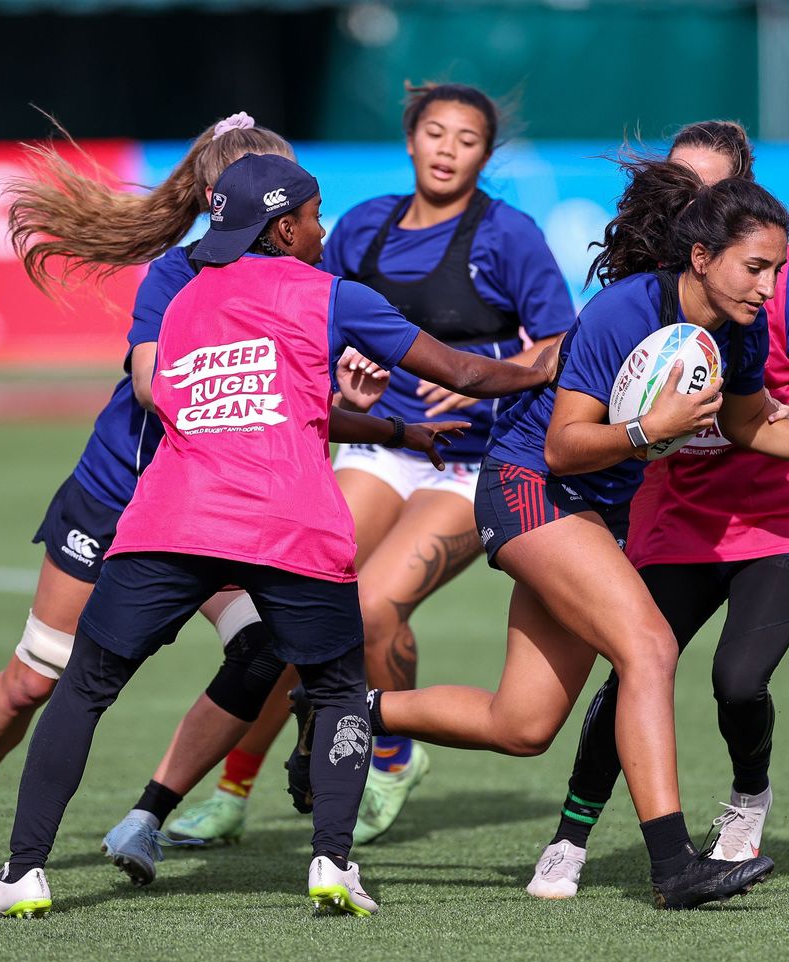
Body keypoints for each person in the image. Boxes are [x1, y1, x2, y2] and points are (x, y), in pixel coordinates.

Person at [0, 152, 559, 918]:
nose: (323, 230)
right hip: (289, 527)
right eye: (313, 216)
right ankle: (332, 864)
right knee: (339, 695)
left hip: (170, 521)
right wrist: (546, 366)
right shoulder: (330, 294)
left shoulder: (184, 300)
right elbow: (464, 374)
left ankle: (22, 874)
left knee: (84, 688)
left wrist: (392, 430)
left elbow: (225, 405)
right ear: (283, 227)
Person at [292, 168, 789, 909]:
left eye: (777, 269)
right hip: (528, 485)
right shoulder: (624, 311)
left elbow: (750, 424)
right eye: (756, 267)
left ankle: (343, 706)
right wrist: (653, 428)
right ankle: (674, 866)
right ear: (702, 257)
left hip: (594, 512)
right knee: (648, 647)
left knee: (521, 725)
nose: (769, 287)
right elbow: (561, 447)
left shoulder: (737, 330)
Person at [0, 113, 379, 880]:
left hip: (214, 506)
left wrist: (346, 395)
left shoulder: (302, 273)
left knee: (263, 650)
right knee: (38, 674)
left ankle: (148, 814)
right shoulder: (178, 276)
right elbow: (156, 386)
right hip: (121, 495)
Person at [167, 82, 575, 848]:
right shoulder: (361, 226)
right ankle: (231, 792)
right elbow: (298, 313)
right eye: (435, 132)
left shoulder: (509, 234)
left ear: (486, 154)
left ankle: (391, 755)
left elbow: (561, 345)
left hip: (470, 461)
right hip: (382, 445)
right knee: (293, 605)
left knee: (373, 608)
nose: (448, 149)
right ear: (411, 139)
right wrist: (340, 377)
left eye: (467, 139)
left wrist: (484, 365)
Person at [527, 121, 789, 898]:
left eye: (710, 189)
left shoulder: (779, 280)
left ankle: (747, 799)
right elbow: (593, 404)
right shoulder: (646, 291)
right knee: (636, 664)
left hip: (782, 514)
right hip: (677, 513)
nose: (693, 205)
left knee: (737, 681)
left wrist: (783, 430)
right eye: (681, 188)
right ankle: (570, 838)